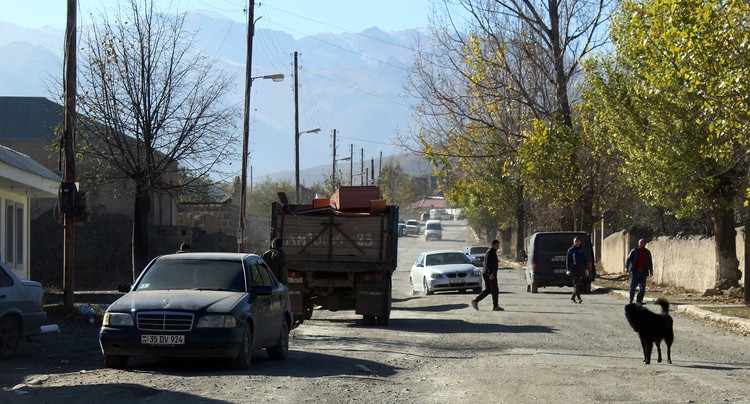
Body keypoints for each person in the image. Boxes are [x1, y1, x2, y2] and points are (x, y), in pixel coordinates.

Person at [470, 240, 503, 311]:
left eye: (498, 245)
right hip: (489, 274)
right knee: (494, 289)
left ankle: (476, 301)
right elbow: (488, 264)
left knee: (489, 289)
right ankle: (495, 306)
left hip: (489, 273)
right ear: (492, 245)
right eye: (496, 245)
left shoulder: (492, 252)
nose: (498, 247)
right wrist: (491, 273)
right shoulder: (490, 252)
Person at [625, 238, 653, 304]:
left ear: (645, 244)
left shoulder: (647, 252)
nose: (640, 244)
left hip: (643, 272)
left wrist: (651, 270)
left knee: (642, 288)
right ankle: (631, 300)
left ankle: (639, 301)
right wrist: (626, 267)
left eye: (642, 243)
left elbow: (650, 262)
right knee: (632, 287)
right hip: (635, 272)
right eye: (639, 243)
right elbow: (628, 259)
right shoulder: (634, 251)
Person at [566, 237, 587, 304]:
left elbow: (584, 260)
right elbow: (568, 261)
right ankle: (578, 298)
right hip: (573, 269)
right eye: (575, 241)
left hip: (580, 269)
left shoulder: (581, 250)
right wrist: (568, 269)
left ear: (580, 242)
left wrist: (586, 269)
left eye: (578, 241)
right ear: (573, 242)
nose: (576, 242)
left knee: (577, 284)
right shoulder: (571, 250)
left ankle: (573, 298)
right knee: (576, 284)